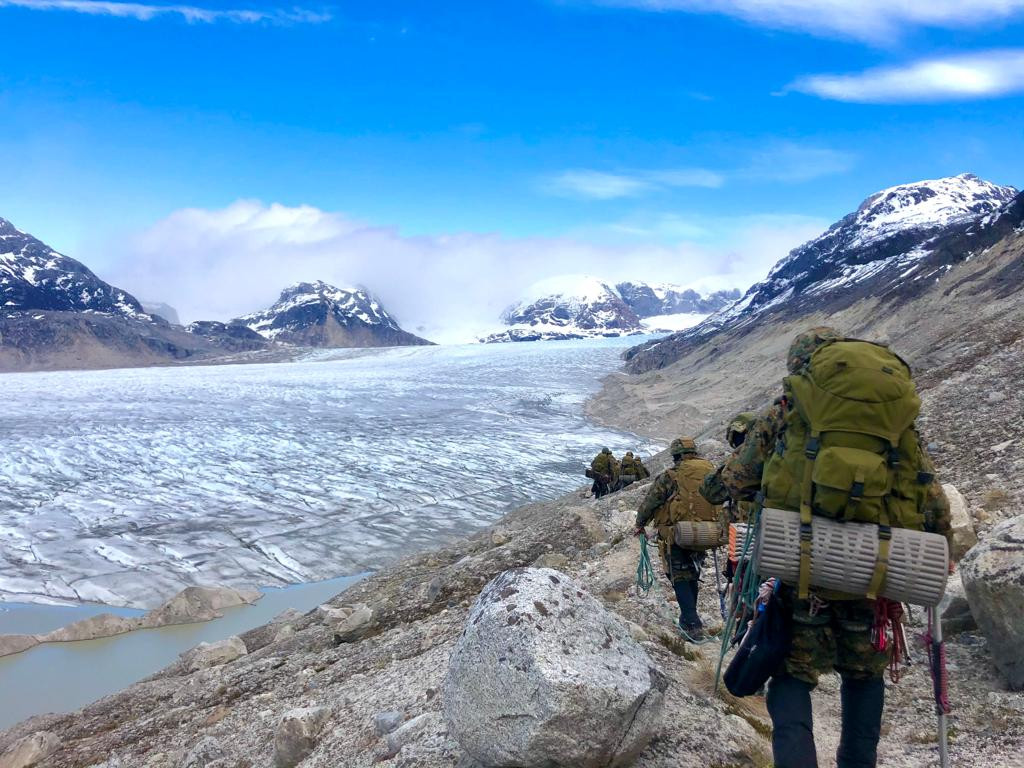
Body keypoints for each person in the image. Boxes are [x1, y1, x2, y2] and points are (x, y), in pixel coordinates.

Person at [711, 327, 953, 768]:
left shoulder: (788, 411)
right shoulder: (891, 420)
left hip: (804, 568)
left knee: (791, 675)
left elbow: (736, 479)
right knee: (863, 677)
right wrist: (942, 546)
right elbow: (927, 493)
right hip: (873, 575)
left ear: (800, 368)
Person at [633, 437, 720, 643]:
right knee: (693, 573)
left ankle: (692, 623)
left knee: (680, 575)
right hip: (706, 531)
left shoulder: (671, 476)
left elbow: (651, 501)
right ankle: (688, 617)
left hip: (676, 534)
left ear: (676, 456)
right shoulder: (710, 471)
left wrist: (640, 523)